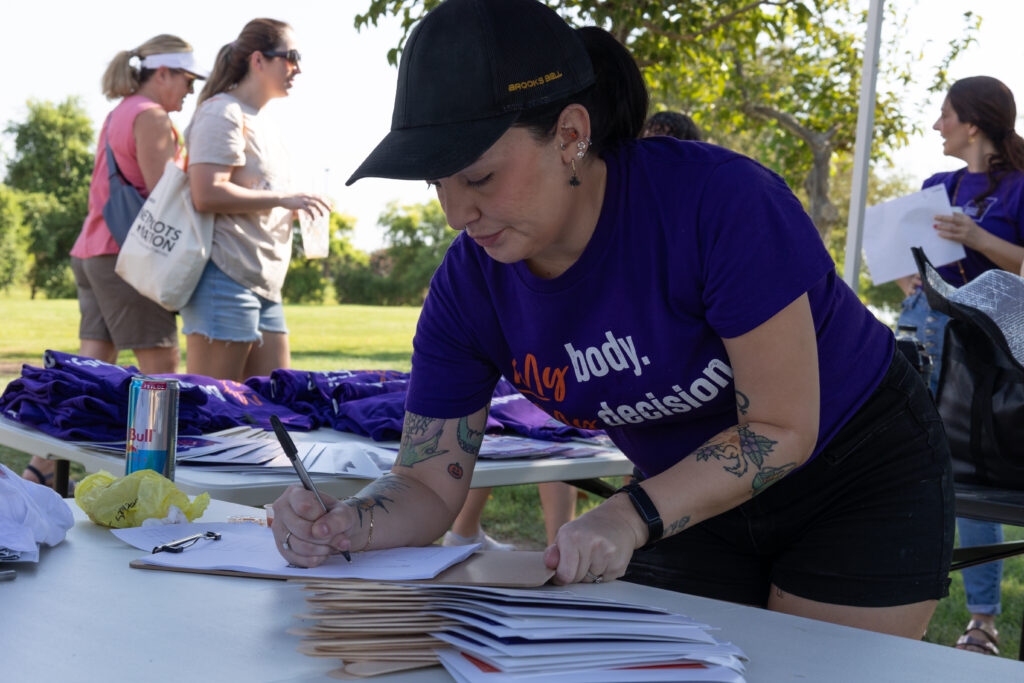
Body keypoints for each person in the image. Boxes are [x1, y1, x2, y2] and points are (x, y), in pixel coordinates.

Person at [273, 0, 953, 639]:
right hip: (685, 494)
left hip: (854, 470)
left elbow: (778, 430)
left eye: (478, 178)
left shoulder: (719, 204)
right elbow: (425, 481)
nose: (457, 213)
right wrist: (348, 522)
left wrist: (629, 513)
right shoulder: (468, 285)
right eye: (437, 184)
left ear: (570, 135)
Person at [22, 35, 207, 488]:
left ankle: (40, 472)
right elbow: (165, 194)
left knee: (89, 375)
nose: (190, 90)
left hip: (94, 251)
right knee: (161, 375)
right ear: (161, 72)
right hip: (130, 260)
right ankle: (159, 487)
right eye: (186, 79)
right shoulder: (151, 117)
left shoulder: (118, 113)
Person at [896, 75, 1024, 656]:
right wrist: (909, 272)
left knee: (967, 476)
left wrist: (976, 235)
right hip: (922, 332)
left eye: (944, 114)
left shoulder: (1020, 186)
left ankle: (982, 624)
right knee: (906, 470)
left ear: (972, 122)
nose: (936, 125)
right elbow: (916, 259)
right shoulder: (935, 185)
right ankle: (901, 610)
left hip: (984, 349)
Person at [182, 18, 331, 383]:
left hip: (266, 281)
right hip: (226, 277)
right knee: (212, 412)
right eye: (291, 56)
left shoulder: (265, 121)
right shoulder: (222, 112)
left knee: (273, 410)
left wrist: (293, 210)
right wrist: (282, 199)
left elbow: (256, 197)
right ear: (258, 60)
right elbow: (206, 193)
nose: (297, 67)